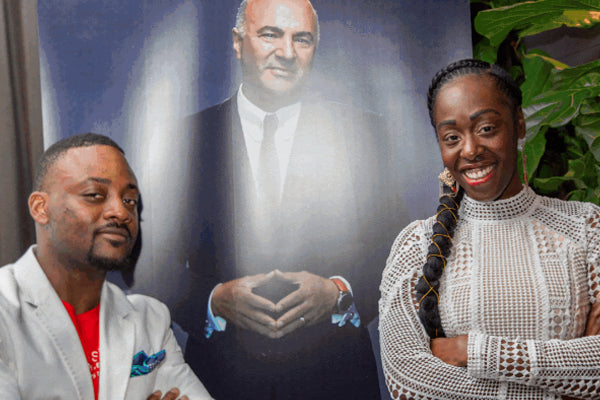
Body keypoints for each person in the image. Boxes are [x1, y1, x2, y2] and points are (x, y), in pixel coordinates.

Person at [173, 0, 402, 398]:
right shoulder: (185, 140)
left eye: (302, 39)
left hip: (336, 379)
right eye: (270, 34)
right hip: (220, 380)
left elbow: (397, 251)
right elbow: (153, 262)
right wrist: (214, 300)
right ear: (238, 42)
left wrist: (339, 292)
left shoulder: (364, 133)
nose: (287, 52)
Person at [379, 58, 600, 399]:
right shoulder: (416, 243)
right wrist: (566, 389)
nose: (469, 150)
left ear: (519, 123)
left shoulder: (586, 227)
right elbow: (408, 381)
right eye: (452, 137)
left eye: (486, 128)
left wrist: (472, 351)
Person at [0, 133, 212, 400]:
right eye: (95, 195)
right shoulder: (5, 310)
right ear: (41, 208)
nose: (121, 212)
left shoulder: (149, 318)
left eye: (129, 200)